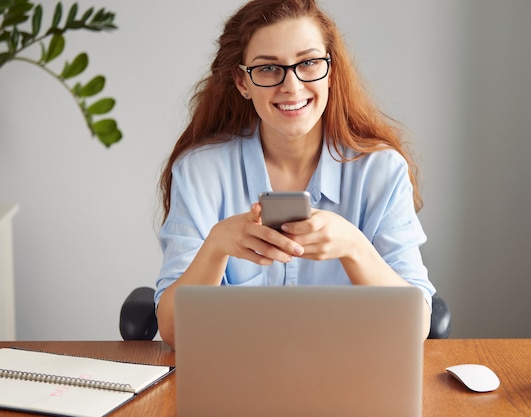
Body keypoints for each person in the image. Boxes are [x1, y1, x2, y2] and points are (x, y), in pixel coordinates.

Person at [155, 0, 436, 348]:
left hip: (347, 382)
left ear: (330, 71)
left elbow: (416, 325)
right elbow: (172, 332)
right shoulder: (200, 172)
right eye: (269, 68)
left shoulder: (381, 170)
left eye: (308, 63)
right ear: (242, 82)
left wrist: (354, 247)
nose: (292, 86)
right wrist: (216, 247)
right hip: (236, 382)